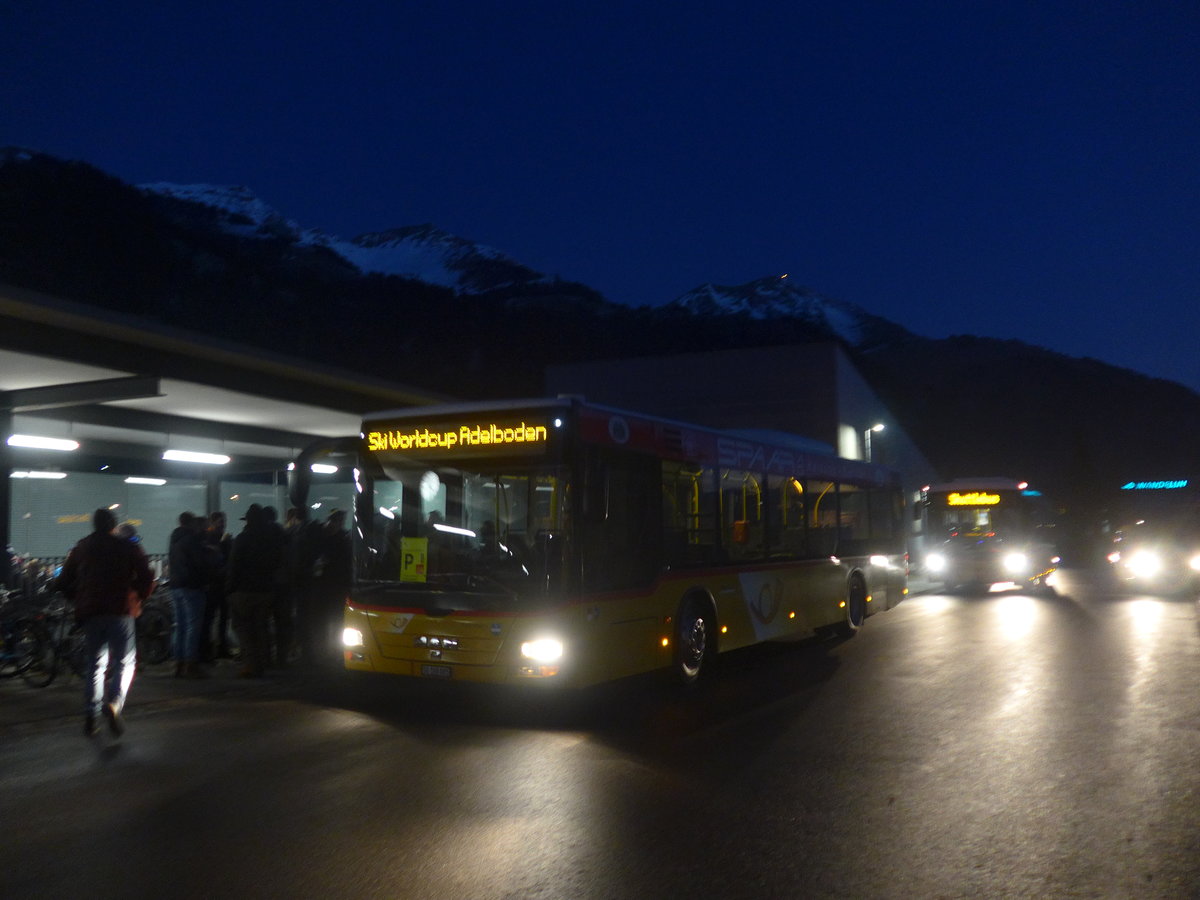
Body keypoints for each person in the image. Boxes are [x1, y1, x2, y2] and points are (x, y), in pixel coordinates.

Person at [55, 508, 154, 737]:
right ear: (113, 525)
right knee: (125, 662)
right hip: (121, 609)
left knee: (95, 665)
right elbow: (146, 576)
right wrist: (138, 596)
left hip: (91, 611)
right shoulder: (128, 547)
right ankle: (115, 703)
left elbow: (64, 580)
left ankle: (91, 714)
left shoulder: (82, 547)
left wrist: (77, 597)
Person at [226, 504, 285, 678]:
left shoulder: (243, 539)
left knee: (243, 628)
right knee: (261, 628)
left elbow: (234, 566)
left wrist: (229, 589)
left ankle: (250, 664)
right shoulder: (271, 540)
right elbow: (277, 562)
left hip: (244, 590)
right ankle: (264, 661)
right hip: (266, 590)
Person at [168, 511, 214, 678]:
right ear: (192, 523)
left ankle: (178, 663)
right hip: (192, 586)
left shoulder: (174, 538)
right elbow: (199, 563)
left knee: (179, 625)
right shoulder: (192, 540)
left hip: (176, 585)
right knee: (193, 626)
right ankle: (190, 663)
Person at [312, 509, 351, 664]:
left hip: (326, 586)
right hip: (335, 587)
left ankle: (328, 651)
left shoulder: (323, 538)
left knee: (328, 621)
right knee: (335, 620)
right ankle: (331, 651)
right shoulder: (344, 539)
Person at [199, 511, 233, 662]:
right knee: (213, 618)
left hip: (219, 583)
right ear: (212, 523)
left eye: (224, 521)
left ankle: (217, 648)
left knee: (218, 618)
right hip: (215, 583)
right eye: (220, 522)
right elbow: (217, 560)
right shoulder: (211, 539)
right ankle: (212, 649)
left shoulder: (214, 539)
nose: (223, 525)